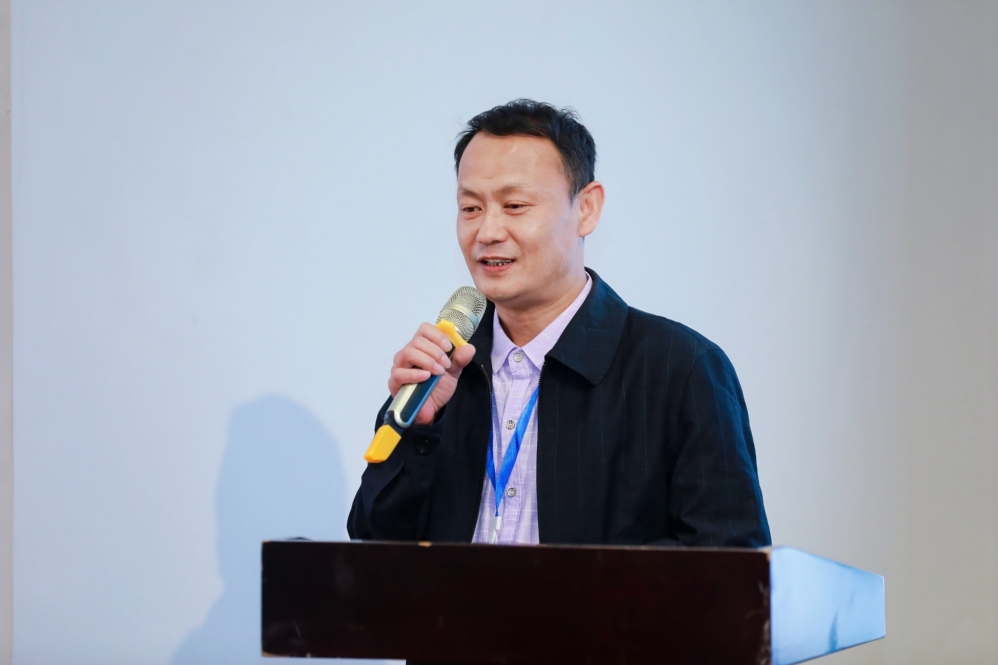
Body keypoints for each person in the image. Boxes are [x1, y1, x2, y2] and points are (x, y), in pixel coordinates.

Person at [347, 99, 770, 547]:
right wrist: (419, 432)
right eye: (470, 208)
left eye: (515, 205)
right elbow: (372, 549)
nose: (487, 232)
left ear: (586, 208)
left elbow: (728, 562)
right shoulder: (441, 371)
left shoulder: (680, 369)